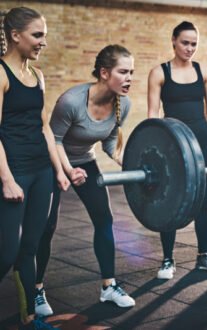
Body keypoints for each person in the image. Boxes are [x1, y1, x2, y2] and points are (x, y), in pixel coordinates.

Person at [33, 44, 136, 317]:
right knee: (47, 226)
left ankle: (108, 286)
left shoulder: (123, 104)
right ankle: (36, 289)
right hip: (51, 162)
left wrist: (133, 164)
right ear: (104, 73)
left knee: (104, 219)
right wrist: (66, 171)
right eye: (123, 72)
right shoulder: (72, 101)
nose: (129, 78)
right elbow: (53, 140)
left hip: (85, 164)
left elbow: (110, 144)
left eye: (132, 73)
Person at [0, 6, 70, 329]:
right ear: (15, 36)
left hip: (42, 170)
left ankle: (29, 320)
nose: (43, 42)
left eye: (45, 35)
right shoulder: (1, 74)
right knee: (6, 252)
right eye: (37, 35)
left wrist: (57, 170)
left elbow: (44, 128)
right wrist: (7, 180)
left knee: (30, 246)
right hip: (14, 170)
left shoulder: (38, 76)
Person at [147, 21, 207, 280]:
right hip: (172, 145)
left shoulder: (204, 71)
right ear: (173, 41)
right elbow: (152, 116)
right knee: (170, 198)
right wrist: (154, 148)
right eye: (185, 42)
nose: (189, 48)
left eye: (194, 43)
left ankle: (203, 255)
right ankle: (168, 259)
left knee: (203, 199)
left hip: (200, 141)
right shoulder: (159, 73)